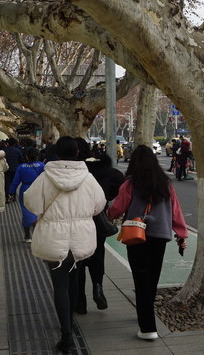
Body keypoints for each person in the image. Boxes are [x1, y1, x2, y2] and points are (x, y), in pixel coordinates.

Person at [23, 136, 105, 354]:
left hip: (53, 237)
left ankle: (66, 334)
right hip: (80, 237)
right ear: (77, 153)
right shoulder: (87, 178)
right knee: (74, 278)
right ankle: (70, 321)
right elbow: (99, 205)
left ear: (56, 153)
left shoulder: (45, 177)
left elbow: (31, 202)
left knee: (59, 285)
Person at [108, 145, 188, 341]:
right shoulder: (165, 183)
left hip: (136, 235)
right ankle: (146, 315)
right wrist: (181, 233)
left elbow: (117, 208)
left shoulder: (130, 184)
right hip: (160, 235)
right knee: (152, 280)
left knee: (141, 280)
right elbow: (175, 210)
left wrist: (108, 214)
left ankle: (147, 327)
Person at [75, 141, 125, 314]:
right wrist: (106, 199)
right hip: (98, 221)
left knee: (78, 261)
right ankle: (98, 286)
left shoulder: (74, 171)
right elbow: (121, 182)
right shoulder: (105, 169)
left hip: (77, 222)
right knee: (97, 255)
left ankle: (80, 301)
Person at [9, 147, 46, 242]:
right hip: (39, 190)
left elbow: (15, 181)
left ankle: (27, 236)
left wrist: (11, 192)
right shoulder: (42, 165)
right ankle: (36, 236)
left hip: (25, 190)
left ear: (26, 156)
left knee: (26, 211)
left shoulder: (21, 167)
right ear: (38, 156)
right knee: (38, 211)